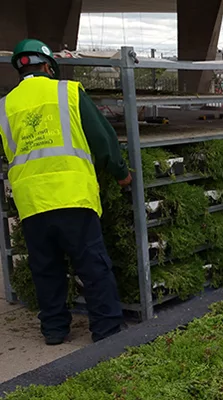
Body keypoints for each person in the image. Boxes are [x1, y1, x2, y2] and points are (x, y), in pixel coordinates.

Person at [0, 39, 131, 345]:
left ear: (20, 70)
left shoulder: (5, 106)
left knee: (46, 269)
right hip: (73, 196)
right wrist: (120, 173)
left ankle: (55, 330)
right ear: (48, 66)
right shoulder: (68, 92)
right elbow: (102, 137)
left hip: (31, 203)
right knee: (92, 265)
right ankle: (107, 330)